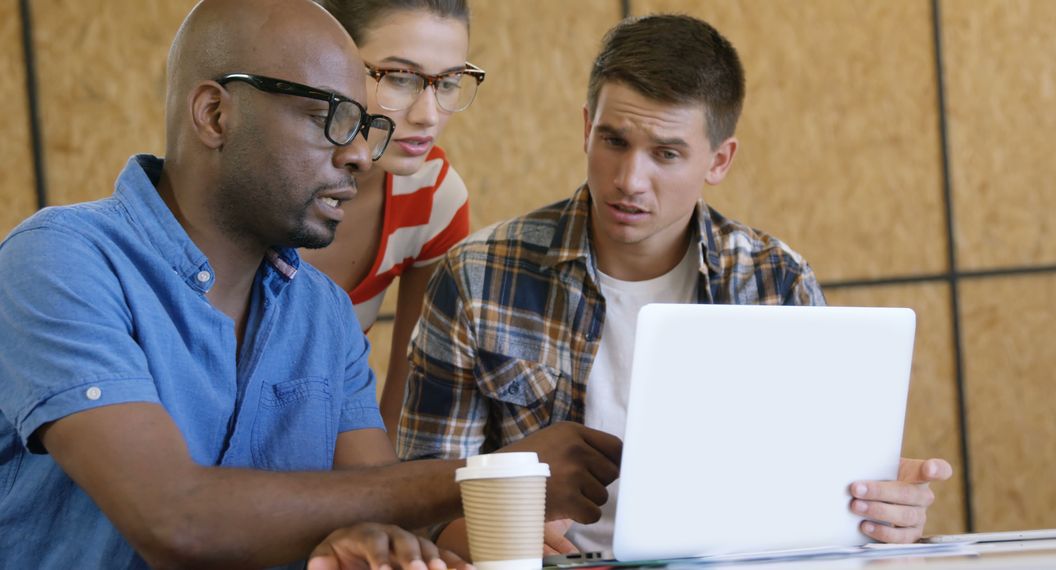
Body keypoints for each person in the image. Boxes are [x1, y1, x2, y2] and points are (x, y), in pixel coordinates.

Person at [0, 1, 619, 567]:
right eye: (329, 118)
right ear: (215, 114)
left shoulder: (322, 310)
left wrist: (379, 544)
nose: (356, 154)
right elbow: (175, 517)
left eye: (361, 128)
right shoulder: (60, 258)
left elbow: (378, 504)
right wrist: (488, 477)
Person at [396, 14, 955, 559]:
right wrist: (490, 533)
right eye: (613, 141)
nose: (629, 180)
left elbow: (817, 504)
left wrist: (875, 510)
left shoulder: (774, 280)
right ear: (586, 127)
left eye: (666, 153)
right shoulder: (478, 275)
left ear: (719, 160)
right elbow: (419, 497)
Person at [304, 0, 477, 441]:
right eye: (399, 78)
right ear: (325, 57)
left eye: (450, 82)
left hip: (329, 459)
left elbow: (408, 406)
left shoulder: (432, 196)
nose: (429, 115)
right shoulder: (252, 186)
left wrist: (377, 504)